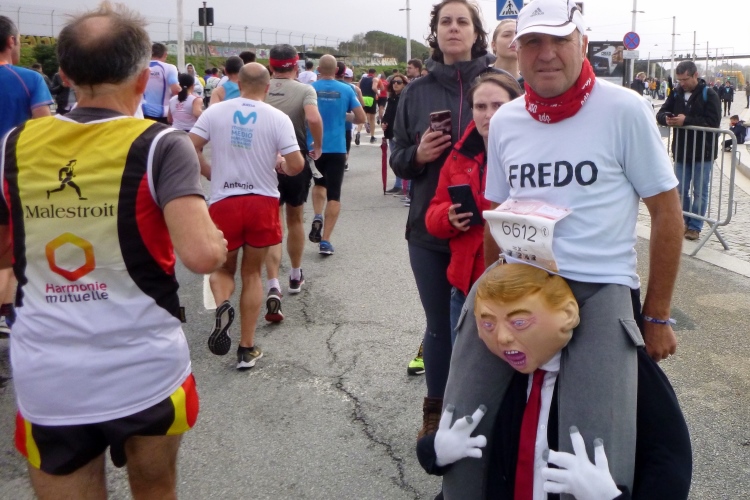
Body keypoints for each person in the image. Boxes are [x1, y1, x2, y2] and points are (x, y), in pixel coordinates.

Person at [442, 0, 685, 497]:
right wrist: (489, 290)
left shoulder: (624, 109)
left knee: (593, 455)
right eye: (533, 42)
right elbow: (496, 212)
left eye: (560, 40)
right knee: (459, 427)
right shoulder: (507, 120)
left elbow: (667, 213)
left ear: (583, 43)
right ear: (517, 50)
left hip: (599, 288)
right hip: (519, 282)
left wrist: (657, 315)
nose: (546, 53)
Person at [1, 4, 228, 497]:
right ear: (144, 77)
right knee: (155, 487)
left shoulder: (14, 143)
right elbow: (202, 256)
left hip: (49, 370)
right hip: (144, 364)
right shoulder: (161, 143)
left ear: (63, 76)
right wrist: (216, 239)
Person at [417, 264, 692, 499]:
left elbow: (668, 457)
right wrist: (435, 452)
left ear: (567, 314)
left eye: (520, 322)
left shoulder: (623, 369)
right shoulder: (496, 374)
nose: (502, 338)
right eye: (488, 325)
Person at [390, 0, 496, 440]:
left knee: (491, 325)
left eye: (462, 21)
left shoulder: (498, 85)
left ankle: (487, 410)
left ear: (476, 32)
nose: (453, 28)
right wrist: (417, 155)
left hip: (488, 234)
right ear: (435, 32)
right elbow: (397, 156)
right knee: (439, 327)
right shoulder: (416, 92)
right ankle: (436, 411)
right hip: (429, 230)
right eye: (445, 22)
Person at [190, 62, 305, 369]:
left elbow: (189, 147)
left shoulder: (215, 112)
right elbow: (296, 165)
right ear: (267, 87)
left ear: (238, 84)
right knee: (252, 273)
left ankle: (223, 304)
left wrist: (209, 171)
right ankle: (246, 348)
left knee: (224, 268)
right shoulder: (277, 117)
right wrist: (280, 166)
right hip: (262, 202)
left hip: (224, 201)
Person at [425, 73, 521, 341]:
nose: (489, 115)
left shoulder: (533, 154)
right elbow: (432, 214)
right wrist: (448, 217)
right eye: (480, 107)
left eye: (498, 105)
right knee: (465, 365)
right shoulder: (459, 155)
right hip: (466, 287)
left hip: (517, 287)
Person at [0, 16, 53, 336]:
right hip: (11, 177)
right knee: (10, 251)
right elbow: (44, 132)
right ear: (11, 41)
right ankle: (8, 311)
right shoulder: (29, 79)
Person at [263, 44, 323, 320]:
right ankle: (296, 275)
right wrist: (318, 145)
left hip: (265, 161)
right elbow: (312, 117)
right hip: (295, 158)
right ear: (296, 65)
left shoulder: (261, 87)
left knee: (272, 222)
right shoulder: (305, 90)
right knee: (295, 218)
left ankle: (273, 283)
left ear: (271, 65)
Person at [656, 60, 721, 242]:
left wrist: (687, 121)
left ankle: (695, 227)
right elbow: (661, 113)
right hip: (681, 151)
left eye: (685, 79)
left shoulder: (709, 94)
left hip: (703, 152)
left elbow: (713, 122)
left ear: (695, 75)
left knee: (700, 191)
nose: (682, 83)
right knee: (680, 190)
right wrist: (666, 118)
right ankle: (684, 221)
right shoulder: (676, 93)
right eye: (679, 80)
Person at [309, 55, 366, 255]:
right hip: (337, 147)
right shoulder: (347, 89)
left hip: (314, 146)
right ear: (336, 71)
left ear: (318, 69)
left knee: (318, 183)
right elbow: (361, 117)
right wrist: (343, 115)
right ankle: (325, 241)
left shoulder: (309, 89)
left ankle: (317, 214)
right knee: (334, 194)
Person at [383, 73, 410, 194]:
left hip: (401, 133)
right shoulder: (392, 98)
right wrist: (384, 122)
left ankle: (406, 186)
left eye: (399, 82)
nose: (395, 84)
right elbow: (388, 114)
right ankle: (398, 185)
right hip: (391, 132)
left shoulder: (406, 97)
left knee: (402, 160)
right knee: (395, 160)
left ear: (404, 84)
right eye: (393, 82)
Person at [142, 42, 180, 123]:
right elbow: (175, 89)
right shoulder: (170, 68)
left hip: (143, 111)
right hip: (163, 113)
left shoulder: (140, 67)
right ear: (165, 54)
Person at [490, 19, 523, 89]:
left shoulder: (530, 83)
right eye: (506, 35)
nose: (514, 39)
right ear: (493, 45)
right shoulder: (480, 79)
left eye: (518, 35)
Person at [358, 68, 380, 144]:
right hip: (371, 99)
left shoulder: (362, 79)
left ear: (368, 72)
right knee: (372, 119)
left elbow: (358, 88)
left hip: (362, 99)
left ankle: (358, 132)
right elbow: (374, 88)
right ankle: (372, 137)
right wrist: (378, 93)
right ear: (375, 73)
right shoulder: (375, 79)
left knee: (362, 117)